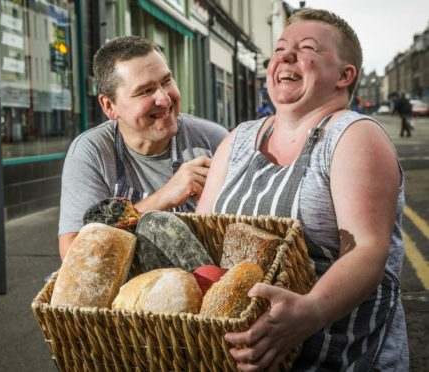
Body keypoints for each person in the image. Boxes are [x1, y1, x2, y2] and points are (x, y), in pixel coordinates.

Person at [197, 9, 408, 371]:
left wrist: (310, 312)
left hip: (341, 356)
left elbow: (368, 253)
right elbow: (200, 236)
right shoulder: (238, 140)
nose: (285, 56)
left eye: (307, 47)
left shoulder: (353, 136)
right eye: (280, 48)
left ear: (345, 75)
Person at [58, 36, 228, 259]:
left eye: (166, 81)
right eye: (146, 91)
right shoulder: (92, 152)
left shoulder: (214, 141)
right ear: (109, 106)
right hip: (125, 289)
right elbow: (73, 254)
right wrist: (163, 198)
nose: (165, 99)